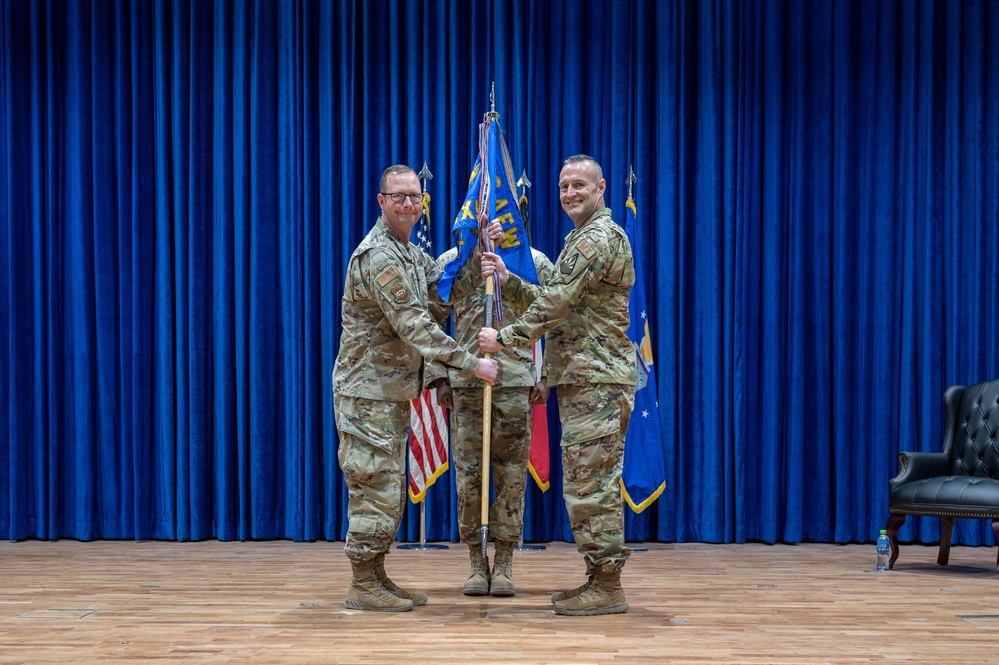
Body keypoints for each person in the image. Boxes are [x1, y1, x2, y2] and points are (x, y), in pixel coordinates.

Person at [332, 165, 498, 612]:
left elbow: (440, 291)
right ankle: (362, 582)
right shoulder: (379, 256)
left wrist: (477, 252)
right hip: (367, 394)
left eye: (415, 197)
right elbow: (417, 327)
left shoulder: (407, 253)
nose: (409, 204)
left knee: (385, 487)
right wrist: (471, 362)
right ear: (381, 201)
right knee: (373, 488)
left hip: (387, 393)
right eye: (399, 196)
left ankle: (377, 575)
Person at [477, 155, 637, 616]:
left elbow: (556, 304)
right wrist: (510, 283)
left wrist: (503, 338)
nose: (570, 193)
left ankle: (607, 585)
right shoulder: (582, 239)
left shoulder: (597, 239)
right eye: (564, 185)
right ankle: (597, 578)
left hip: (596, 380)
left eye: (580, 185)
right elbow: (562, 299)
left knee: (593, 487)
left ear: (602, 186)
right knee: (588, 484)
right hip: (586, 379)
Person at [429, 234, 554, 597]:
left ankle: (504, 561)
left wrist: (545, 375)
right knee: (469, 479)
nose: (492, 221)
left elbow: (557, 312)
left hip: (515, 384)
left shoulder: (531, 261)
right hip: (467, 383)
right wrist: (438, 378)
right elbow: (431, 321)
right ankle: (475, 559)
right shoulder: (453, 261)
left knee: (512, 477)